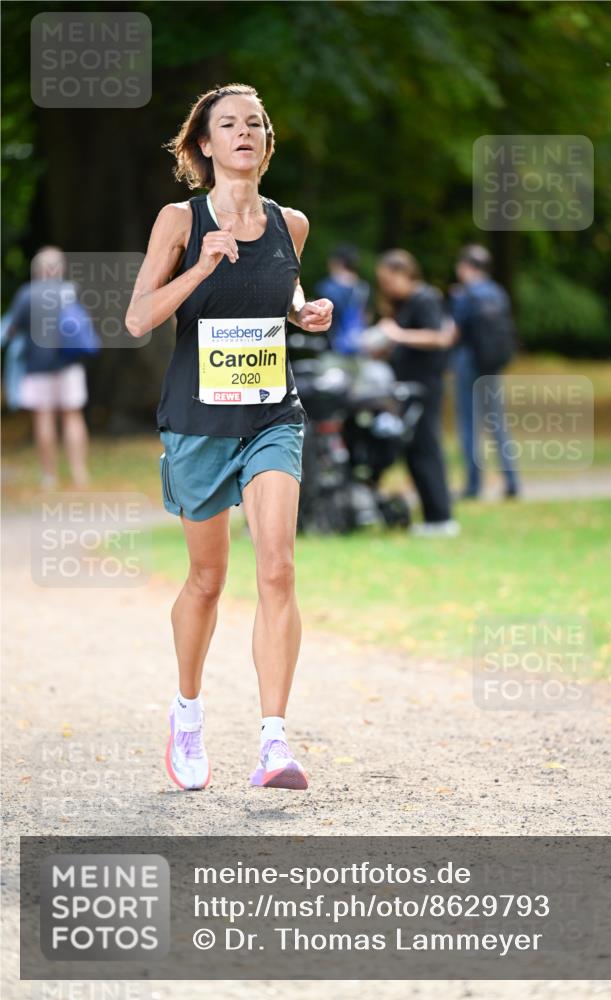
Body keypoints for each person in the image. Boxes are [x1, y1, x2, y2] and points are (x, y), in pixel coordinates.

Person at [125, 83, 333, 792]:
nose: (244, 132)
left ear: (266, 144)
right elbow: (137, 319)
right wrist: (202, 266)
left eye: (255, 124)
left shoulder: (291, 223)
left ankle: (274, 743)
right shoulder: (179, 220)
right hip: (197, 422)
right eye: (228, 124)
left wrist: (305, 313)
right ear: (205, 145)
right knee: (207, 581)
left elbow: (284, 295)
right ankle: (187, 714)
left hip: (272, 414)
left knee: (276, 569)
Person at [374, 249, 459, 537]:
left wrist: (397, 335)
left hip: (425, 386)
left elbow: (438, 337)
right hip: (407, 386)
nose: (386, 287)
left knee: (426, 448)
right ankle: (433, 517)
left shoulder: (426, 298)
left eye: (389, 280)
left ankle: (441, 517)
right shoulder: (404, 303)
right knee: (413, 451)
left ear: (405, 273)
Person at [5, 246, 91, 489]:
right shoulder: (70, 291)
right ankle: (79, 473)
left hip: (36, 366)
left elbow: (12, 329)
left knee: (44, 417)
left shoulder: (26, 294)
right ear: (59, 268)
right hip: (69, 364)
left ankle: (49, 476)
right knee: (73, 415)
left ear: (37, 269)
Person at [449, 245, 519, 499]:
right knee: (497, 423)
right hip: (492, 364)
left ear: (466, 267)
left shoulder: (465, 295)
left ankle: (473, 485)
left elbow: (454, 332)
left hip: (468, 361)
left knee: (469, 425)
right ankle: (512, 480)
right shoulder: (498, 293)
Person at [314, 244, 370, 355]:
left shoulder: (326, 287)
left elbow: (317, 320)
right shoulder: (364, 287)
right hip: (359, 349)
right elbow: (366, 317)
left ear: (336, 262)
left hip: (331, 350)